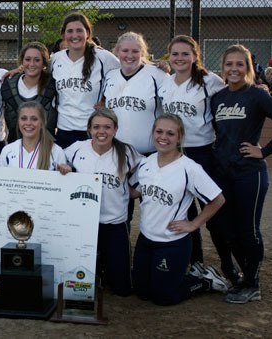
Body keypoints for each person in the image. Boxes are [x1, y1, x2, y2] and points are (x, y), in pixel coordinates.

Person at [210, 44, 272, 304]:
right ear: (223, 68)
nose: (234, 69)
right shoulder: (218, 97)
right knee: (222, 225)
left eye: (240, 64)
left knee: (248, 229)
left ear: (247, 68)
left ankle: (252, 283)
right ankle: (235, 272)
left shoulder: (256, 95)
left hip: (250, 173)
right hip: (223, 172)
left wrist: (264, 151)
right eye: (229, 64)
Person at [129, 114, 228, 306]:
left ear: (179, 137)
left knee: (163, 297)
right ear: (153, 133)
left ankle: (205, 281)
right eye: (159, 131)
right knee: (141, 291)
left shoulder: (189, 168)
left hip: (172, 242)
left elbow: (218, 199)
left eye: (170, 133)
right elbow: (133, 192)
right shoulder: (146, 163)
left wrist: (194, 224)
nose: (163, 137)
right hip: (146, 239)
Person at [158, 35, 227, 272]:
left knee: (213, 212)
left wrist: (256, 87)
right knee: (185, 211)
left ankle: (228, 265)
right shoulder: (165, 82)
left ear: (195, 56)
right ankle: (194, 261)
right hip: (176, 154)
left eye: (185, 53)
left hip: (202, 152)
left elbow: (235, 94)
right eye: (175, 54)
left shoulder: (211, 81)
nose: (180, 58)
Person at [59, 108, 142, 296]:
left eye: (107, 127)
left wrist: (133, 190)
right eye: (96, 127)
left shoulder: (127, 152)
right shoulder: (76, 149)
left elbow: (145, 171)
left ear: (115, 129)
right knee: (83, 282)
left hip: (114, 223)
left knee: (121, 288)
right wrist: (65, 167)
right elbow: (57, 161)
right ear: (89, 129)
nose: (101, 131)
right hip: (84, 224)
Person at [51, 13, 119, 148]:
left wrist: (107, 100)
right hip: (63, 130)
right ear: (63, 35)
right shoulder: (56, 59)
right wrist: (18, 70)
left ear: (88, 33)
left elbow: (129, 71)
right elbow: (34, 69)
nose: (74, 35)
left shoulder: (103, 57)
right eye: (70, 31)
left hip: (92, 131)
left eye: (79, 30)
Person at [103, 31, 168, 156]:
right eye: (125, 51)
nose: (130, 55)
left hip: (151, 153)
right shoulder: (110, 76)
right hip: (117, 153)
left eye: (135, 51)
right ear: (117, 52)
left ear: (143, 53)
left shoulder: (158, 75)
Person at [1, 42, 57, 144]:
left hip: (46, 148)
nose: (31, 64)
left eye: (37, 60)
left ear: (44, 63)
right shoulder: (8, 84)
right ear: (22, 61)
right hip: (16, 147)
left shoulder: (53, 85)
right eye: (27, 59)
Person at [0, 101, 66, 170]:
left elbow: (62, 180)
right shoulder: (7, 151)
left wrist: (65, 172)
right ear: (18, 122)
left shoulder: (56, 152)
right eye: (23, 119)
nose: (28, 123)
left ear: (42, 123)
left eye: (34, 119)